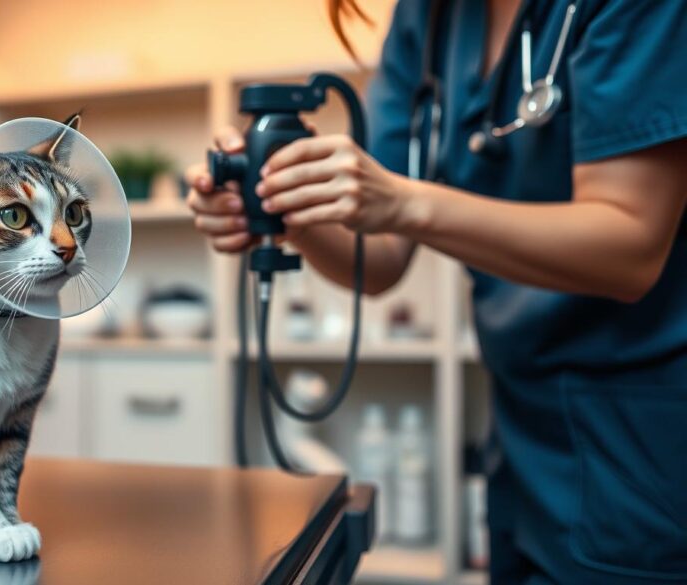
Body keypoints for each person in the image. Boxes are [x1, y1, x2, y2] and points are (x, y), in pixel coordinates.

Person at [184, 1, 687, 583]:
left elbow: (630, 245)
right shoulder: (429, 18)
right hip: (521, 429)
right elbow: (379, 259)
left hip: (643, 435)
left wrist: (405, 202)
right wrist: (283, 203)